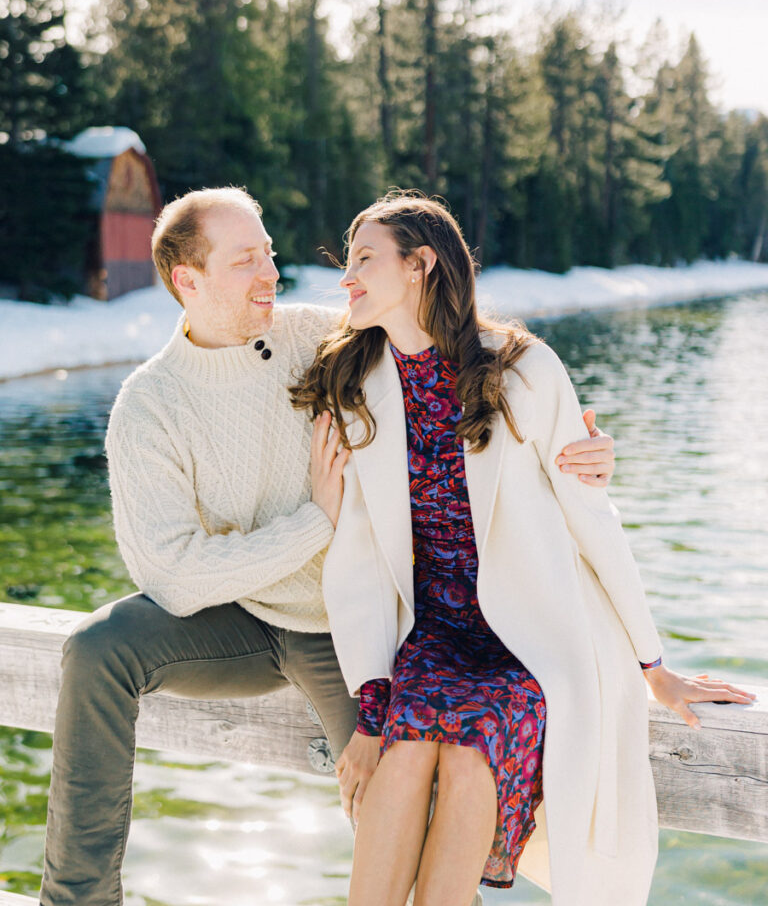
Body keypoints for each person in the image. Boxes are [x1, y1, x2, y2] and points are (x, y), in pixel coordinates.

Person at [38, 187, 616, 906]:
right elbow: (175, 578)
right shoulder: (149, 406)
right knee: (96, 649)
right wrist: (316, 520)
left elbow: (450, 342)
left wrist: (580, 449)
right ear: (188, 281)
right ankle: (78, 899)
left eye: (270, 255)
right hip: (240, 619)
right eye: (248, 260)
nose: (271, 274)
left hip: (353, 627)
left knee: (410, 800)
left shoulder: (321, 336)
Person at [291, 191, 755, 906]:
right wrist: (371, 708)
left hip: (531, 642)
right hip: (435, 638)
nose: (344, 278)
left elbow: (591, 520)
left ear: (420, 266)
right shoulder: (358, 384)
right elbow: (357, 566)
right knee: (404, 755)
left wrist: (652, 664)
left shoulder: (523, 370)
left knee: (476, 752)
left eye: (362, 260)